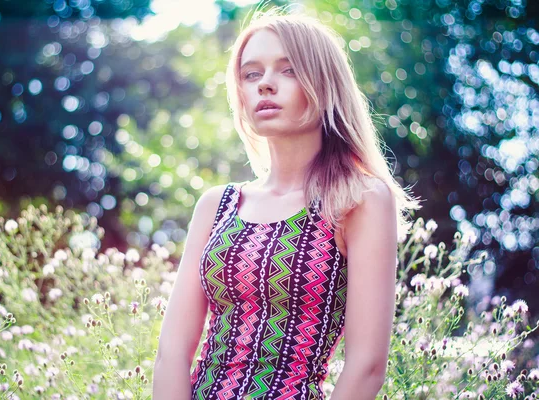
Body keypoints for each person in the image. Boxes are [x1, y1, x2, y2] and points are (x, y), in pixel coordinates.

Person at [153, 5, 421, 400]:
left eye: (289, 69)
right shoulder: (217, 205)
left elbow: (367, 367)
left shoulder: (357, 199)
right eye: (251, 74)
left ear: (325, 83)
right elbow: (171, 355)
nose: (265, 84)